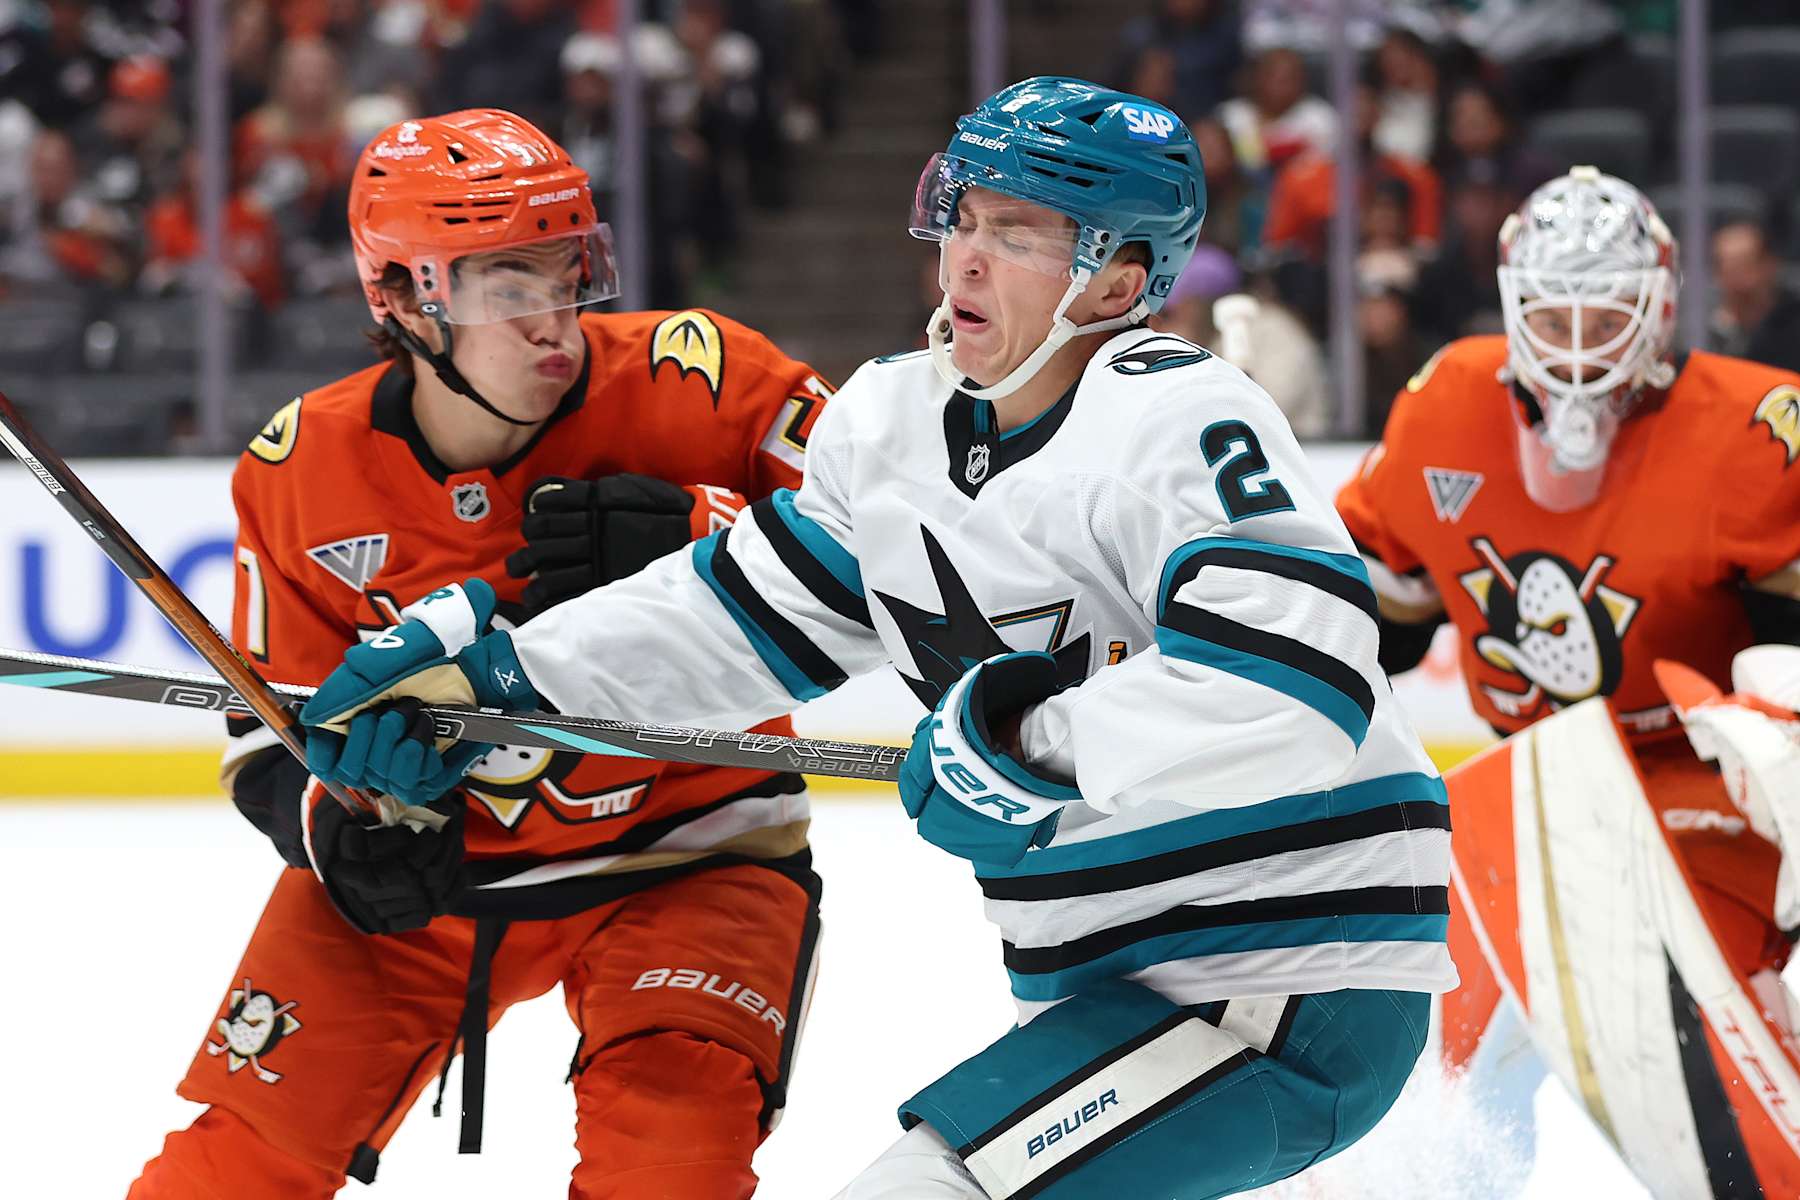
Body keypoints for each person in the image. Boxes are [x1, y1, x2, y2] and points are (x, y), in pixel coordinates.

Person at [298, 77, 1456, 1199]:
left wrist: (1031, 746)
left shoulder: (1175, 410)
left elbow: (1295, 687)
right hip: (1110, 989)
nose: (963, 257)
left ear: (1116, 283)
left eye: (1017, 232)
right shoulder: (894, 420)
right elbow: (736, 614)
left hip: (1287, 977)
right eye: (961, 215)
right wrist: (499, 679)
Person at [128, 108, 832, 1200]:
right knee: (228, 1176)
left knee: (670, 1166)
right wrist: (338, 836)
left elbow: (913, 545)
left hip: (691, 849)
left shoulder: (702, 381)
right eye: (512, 289)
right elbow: (269, 741)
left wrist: (712, 537)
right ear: (404, 299)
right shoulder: (300, 466)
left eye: (571, 273)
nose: (558, 324)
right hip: (438, 880)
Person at [1335, 166, 1800, 1190]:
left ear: (1664, 305)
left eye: (1610, 309)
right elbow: (1367, 617)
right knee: (1413, 1104)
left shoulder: (1759, 429)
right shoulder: (1447, 403)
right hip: (1524, 802)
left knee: (1735, 1132)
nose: (1582, 341)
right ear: (1511, 305)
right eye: (1556, 311)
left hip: (1704, 807)